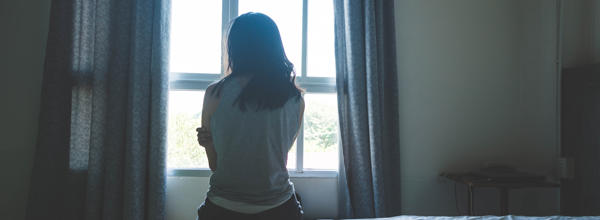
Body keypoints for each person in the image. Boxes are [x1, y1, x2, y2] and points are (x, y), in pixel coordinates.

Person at [195, 12, 305, 220]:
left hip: (223, 209)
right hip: (280, 208)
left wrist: (208, 144)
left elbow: (215, 165)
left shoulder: (215, 93)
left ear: (234, 48)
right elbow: (275, 159)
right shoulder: (295, 99)